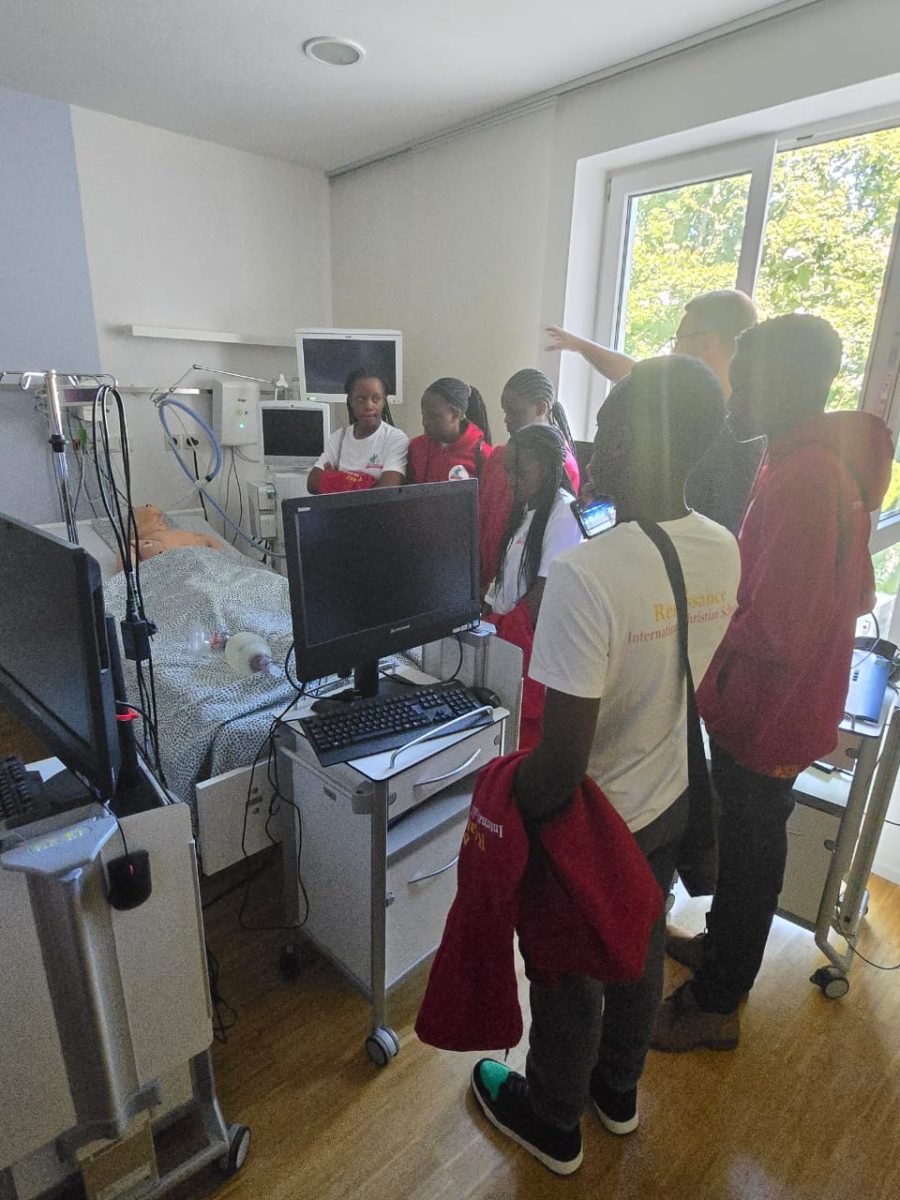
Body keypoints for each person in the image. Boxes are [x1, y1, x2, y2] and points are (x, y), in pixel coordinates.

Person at [469, 355, 741, 1175]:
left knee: (566, 970)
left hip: (598, 817)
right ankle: (616, 1092)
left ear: (634, 441)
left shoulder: (587, 575)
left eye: (608, 427)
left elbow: (560, 765)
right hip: (669, 797)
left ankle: (553, 1120)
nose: (594, 443)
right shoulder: (723, 547)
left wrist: (501, 805)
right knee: (640, 943)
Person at [651, 314, 893, 1053]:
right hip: (779, 700)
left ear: (786, 382)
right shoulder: (806, 461)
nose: (733, 395)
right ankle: (723, 952)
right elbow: (839, 591)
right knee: (746, 838)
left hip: (770, 708)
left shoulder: (807, 477)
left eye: (746, 378)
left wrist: (700, 624)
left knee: (753, 852)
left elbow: (778, 630)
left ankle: (717, 1003)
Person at [546, 289, 763, 533]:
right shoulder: (690, 407)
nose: (673, 351)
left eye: (678, 340)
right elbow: (636, 375)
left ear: (707, 344)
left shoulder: (737, 436)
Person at [478, 369, 580, 591]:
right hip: (489, 580)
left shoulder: (562, 467)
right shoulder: (498, 456)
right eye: (505, 412)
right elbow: (483, 515)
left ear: (541, 408)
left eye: (514, 412)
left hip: (523, 585)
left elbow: (549, 544)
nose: (506, 420)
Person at [307, 368, 408, 494]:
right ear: (351, 402)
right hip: (339, 508)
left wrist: (334, 479)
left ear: (384, 401)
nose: (369, 406)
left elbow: (386, 492)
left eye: (376, 399)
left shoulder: (395, 439)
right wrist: (367, 483)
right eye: (361, 399)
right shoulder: (338, 438)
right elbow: (312, 483)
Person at [406, 378, 493, 483]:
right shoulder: (416, 447)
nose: (424, 422)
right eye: (423, 415)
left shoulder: (482, 455)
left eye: (433, 416)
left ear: (455, 415)